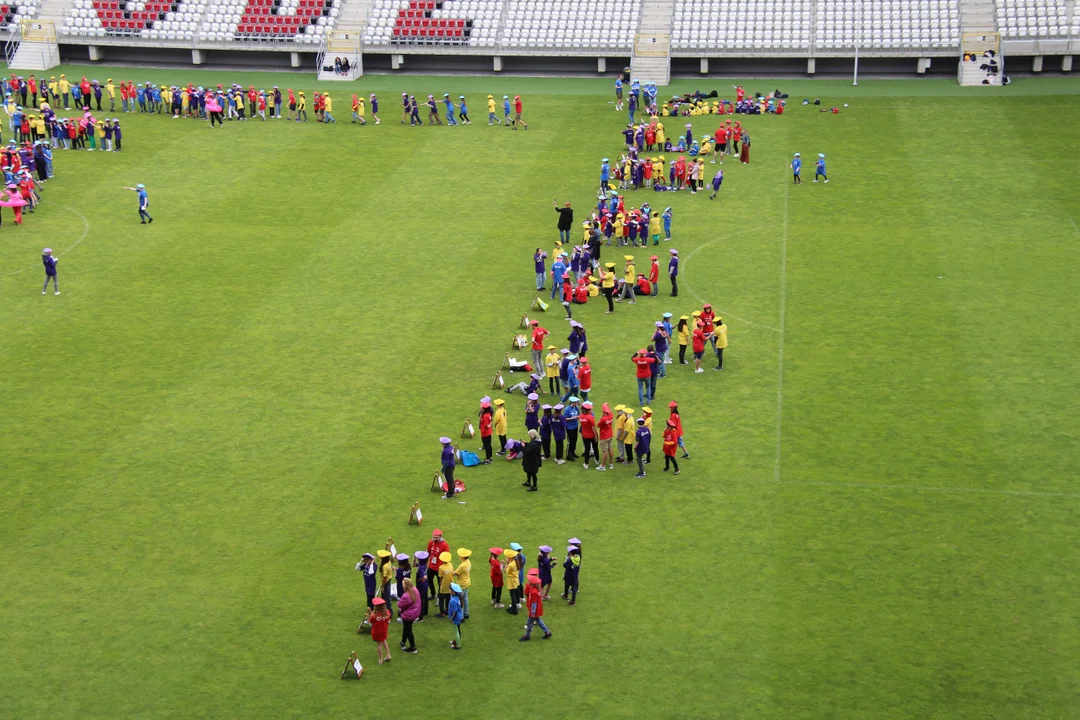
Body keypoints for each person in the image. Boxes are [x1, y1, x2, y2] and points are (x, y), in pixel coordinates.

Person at [519, 577, 552, 641]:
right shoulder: (537, 589)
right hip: (537, 609)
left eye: (529, 581)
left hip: (534, 611)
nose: (528, 582)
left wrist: (532, 613)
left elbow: (534, 603)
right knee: (538, 621)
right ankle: (547, 632)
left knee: (529, 623)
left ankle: (527, 636)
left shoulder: (534, 592)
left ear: (532, 583)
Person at [397, 578, 420, 654]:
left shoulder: (406, 596)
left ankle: (413, 647)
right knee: (406, 628)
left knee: (408, 630)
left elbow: (399, 604)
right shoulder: (415, 590)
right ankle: (403, 642)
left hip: (408, 615)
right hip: (415, 613)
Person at [425, 529, 449, 600]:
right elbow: (428, 552)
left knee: (440, 583)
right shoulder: (431, 542)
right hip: (431, 566)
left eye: (436, 537)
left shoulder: (444, 544)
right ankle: (433, 594)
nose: (435, 539)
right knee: (429, 581)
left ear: (440, 536)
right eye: (434, 537)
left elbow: (447, 555)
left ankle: (439, 596)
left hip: (440, 568)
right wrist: (426, 563)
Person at [368, 597, 392, 664]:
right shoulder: (387, 612)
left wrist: (370, 613)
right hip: (384, 631)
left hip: (377, 632)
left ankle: (381, 659)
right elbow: (387, 619)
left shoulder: (374, 615)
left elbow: (371, 621)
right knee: (384, 640)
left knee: (379, 645)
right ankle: (388, 654)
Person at [453, 548, 472, 619]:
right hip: (467, 582)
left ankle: (461, 617)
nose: (459, 556)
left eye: (460, 555)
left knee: (459, 601)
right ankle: (466, 614)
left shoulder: (462, 566)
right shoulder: (468, 562)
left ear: (463, 557)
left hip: (461, 585)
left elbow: (455, 573)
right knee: (465, 599)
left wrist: (448, 572)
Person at [579, 401, 598, 468]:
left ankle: (586, 464)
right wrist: (596, 435)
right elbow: (593, 428)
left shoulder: (581, 416)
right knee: (595, 448)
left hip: (585, 435)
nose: (591, 410)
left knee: (587, 450)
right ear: (587, 410)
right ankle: (597, 460)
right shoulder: (590, 418)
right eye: (590, 409)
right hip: (592, 435)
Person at [357, 552, 377, 617]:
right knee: (368, 597)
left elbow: (371, 572)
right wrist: (360, 561)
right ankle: (370, 609)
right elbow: (358, 568)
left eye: (367, 559)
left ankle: (372, 611)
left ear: (371, 559)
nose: (366, 560)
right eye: (365, 559)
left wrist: (371, 563)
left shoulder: (374, 565)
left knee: (371, 598)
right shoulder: (365, 565)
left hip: (371, 585)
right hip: (367, 584)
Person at [597, 402, 615, 471]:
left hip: (604, 436)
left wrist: (602, 415)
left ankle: (602, 466)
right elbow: (608, 411)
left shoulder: (603, 419)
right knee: (610, 449)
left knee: (605, 451)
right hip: (610, 434)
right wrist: (606, 405)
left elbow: (598, 425)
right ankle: (611, 463)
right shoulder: (611, 415)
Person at [413, 550, 430, 621]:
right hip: (425, 585)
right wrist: (414, 559)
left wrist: (421, 579)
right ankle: (426, 612)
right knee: (425, 598)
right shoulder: (424, 565)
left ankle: (420, 617)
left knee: (420, 600)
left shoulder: (420, 568)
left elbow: (424, 576)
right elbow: (413, 565)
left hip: (421, 586)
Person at [503, 549, 521, 615]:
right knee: (515, 594)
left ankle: (514, 611)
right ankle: (514, 607)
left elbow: (506, 571)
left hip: (511, 581)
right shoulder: (515, 562)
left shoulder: (511, 565)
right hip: (515, 580)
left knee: (512, 596)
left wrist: (504, 565)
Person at [437, 550, 454, 617]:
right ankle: (447, 610)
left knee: (441, 599)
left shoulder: (441, 567)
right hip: (451, 585)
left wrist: (440, 583)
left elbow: (440, 577)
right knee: (448, 598)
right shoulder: (451, 565)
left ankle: (442, 613)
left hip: (444, 585)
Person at [448, 583, 464, 650]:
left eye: (450, 589)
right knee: (458, 629)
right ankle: (457, 641)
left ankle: (458, 645)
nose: (449, 590)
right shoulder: (457, 597)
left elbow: (454, 612)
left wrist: (451, 619)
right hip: (459, 616)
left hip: (456, 618)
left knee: (456, 631)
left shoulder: (453, 601)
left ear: (453, 591)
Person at [479, 399, 493, 464]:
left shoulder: (485, 416)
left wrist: (489, 425)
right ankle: (490, 457)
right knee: (489, 445)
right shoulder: (488, 414)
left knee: (486, 445)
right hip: (489, 432)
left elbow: (487, 425)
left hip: (485, 433)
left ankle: (488, 459)